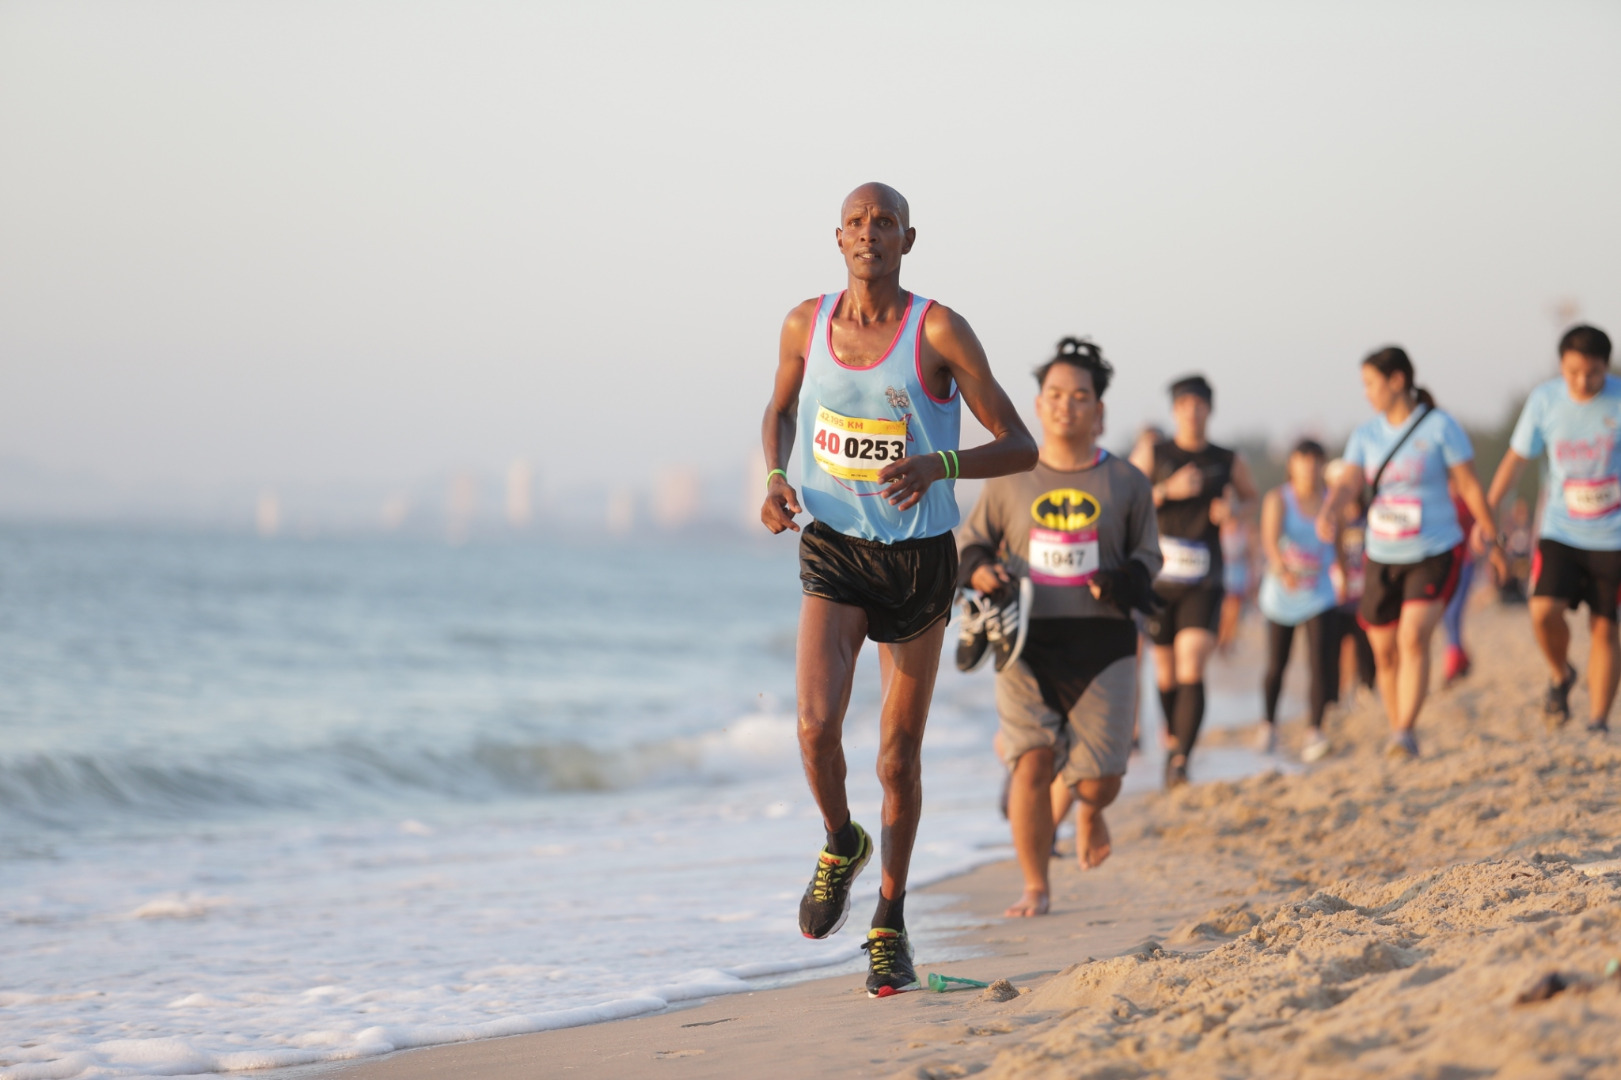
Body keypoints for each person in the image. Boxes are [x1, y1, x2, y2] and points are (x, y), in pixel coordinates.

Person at [759, 183, 1037, 997]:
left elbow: (1016, 442)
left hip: (918, 559)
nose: (868, 233)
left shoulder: (937, 329)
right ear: (836, 238)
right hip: (834, 546)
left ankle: (888, 920)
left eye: (884, 222)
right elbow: (777, 411)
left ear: (907, 239)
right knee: (814, 728)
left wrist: (939, 464)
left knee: (896, 757)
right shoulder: (802, 324)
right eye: (855, 222)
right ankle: (840, 841)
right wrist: (777, 476)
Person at [957, 338, 1161, 917]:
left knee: (1100, 781)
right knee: (1031, 760)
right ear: (1037, 404)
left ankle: (1090, 812)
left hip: (1105, 645)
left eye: (1079, 397)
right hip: (1024, 641)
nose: (1065, 406)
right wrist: (981, 570)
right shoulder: (1008, 478)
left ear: (1100, 411)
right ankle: (1035, 886)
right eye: (1054, 395)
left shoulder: (1128, 482)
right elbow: (970, 545)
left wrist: (1125, 580)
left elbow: (1150, 557)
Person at [1317, 347, 1496, 757]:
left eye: (1370, 383)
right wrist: (1330, 510)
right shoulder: (1365, 435)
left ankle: (1403, 732)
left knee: (1413, 638)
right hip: (1381, 554)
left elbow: (1467, 484)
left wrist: (1489, 528)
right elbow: (1347, 484)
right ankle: (1397, 726)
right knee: (1384, 649)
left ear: (1397, 380)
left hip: (1433, 548)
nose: (1366, 393)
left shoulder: (1440, 426)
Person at [1484, 325, 1619, 732]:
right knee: (1542, 612)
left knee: (1604, 624)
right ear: (1561, 365)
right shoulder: (1544, 400)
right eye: (1574, 371)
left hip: (1613, 534)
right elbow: (1515, 461)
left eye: (1592, 373)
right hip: (1560, 529)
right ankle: (1561, 674)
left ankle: (1598, 719)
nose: (1582, 381)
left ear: (1605, 368)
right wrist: (1487, 512)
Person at [1130, 376, 1258, 786]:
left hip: (1206, 577)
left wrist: (1234, 509)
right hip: (1158, 578)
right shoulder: (1156, 451)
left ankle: (1182, 757)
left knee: (1192, 664)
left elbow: (1252, 498)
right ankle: (1173, 741)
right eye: (1184, 404)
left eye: (1199, 404)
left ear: (1209, 410)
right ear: (1174, 410)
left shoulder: (1226, 458)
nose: (1192, 412)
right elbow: (1126, 496)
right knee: (1165, 675)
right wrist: (1166, 489)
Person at [1255, 440, 1341, 761]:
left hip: (1319, 591)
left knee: (1320, 661)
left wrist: (1344, 574)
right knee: (1277, 663)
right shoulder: (1279, 499)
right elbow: (1269, 538)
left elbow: (1341, 542)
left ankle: (1315, 731)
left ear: (1323, 465)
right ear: (1291, 464)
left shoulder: (1331, 501)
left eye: (1316, 461)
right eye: (1302, 460)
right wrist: (1282, 568)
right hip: (1283, 592)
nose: (1309, 467)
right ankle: (1268, 725)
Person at [1324, 459, 1376, 710]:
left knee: (1364, 640)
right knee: (1335, 643)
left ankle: (1367, 685)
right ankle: (1339, 691)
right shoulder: (1327, 520)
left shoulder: (1371, 515)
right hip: (1335, 592)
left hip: (1365, 590)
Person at [1441, 481, 1478, 686]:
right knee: (1447, 615)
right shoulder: (1441, 500)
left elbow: (1475, 528)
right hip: (1444, 564)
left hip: (1464, 563)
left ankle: (1453, 663)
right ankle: (1461, 657)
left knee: (1454, 612)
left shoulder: (1466, 502)